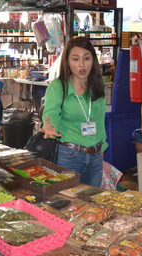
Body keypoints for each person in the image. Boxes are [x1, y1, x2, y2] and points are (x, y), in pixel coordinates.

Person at [41, 37, 107, 187]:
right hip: (68, 156)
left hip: (95, 156)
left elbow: (100, 121)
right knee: (68, 204)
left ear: (93, 60)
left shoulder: (98, 85)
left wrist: (102, 149)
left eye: (87, 58)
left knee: (91, 204)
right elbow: (51, 113)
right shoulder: (58, 87)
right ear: (67, 62)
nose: (82, 65)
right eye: (75, 59)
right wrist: (49, 126)